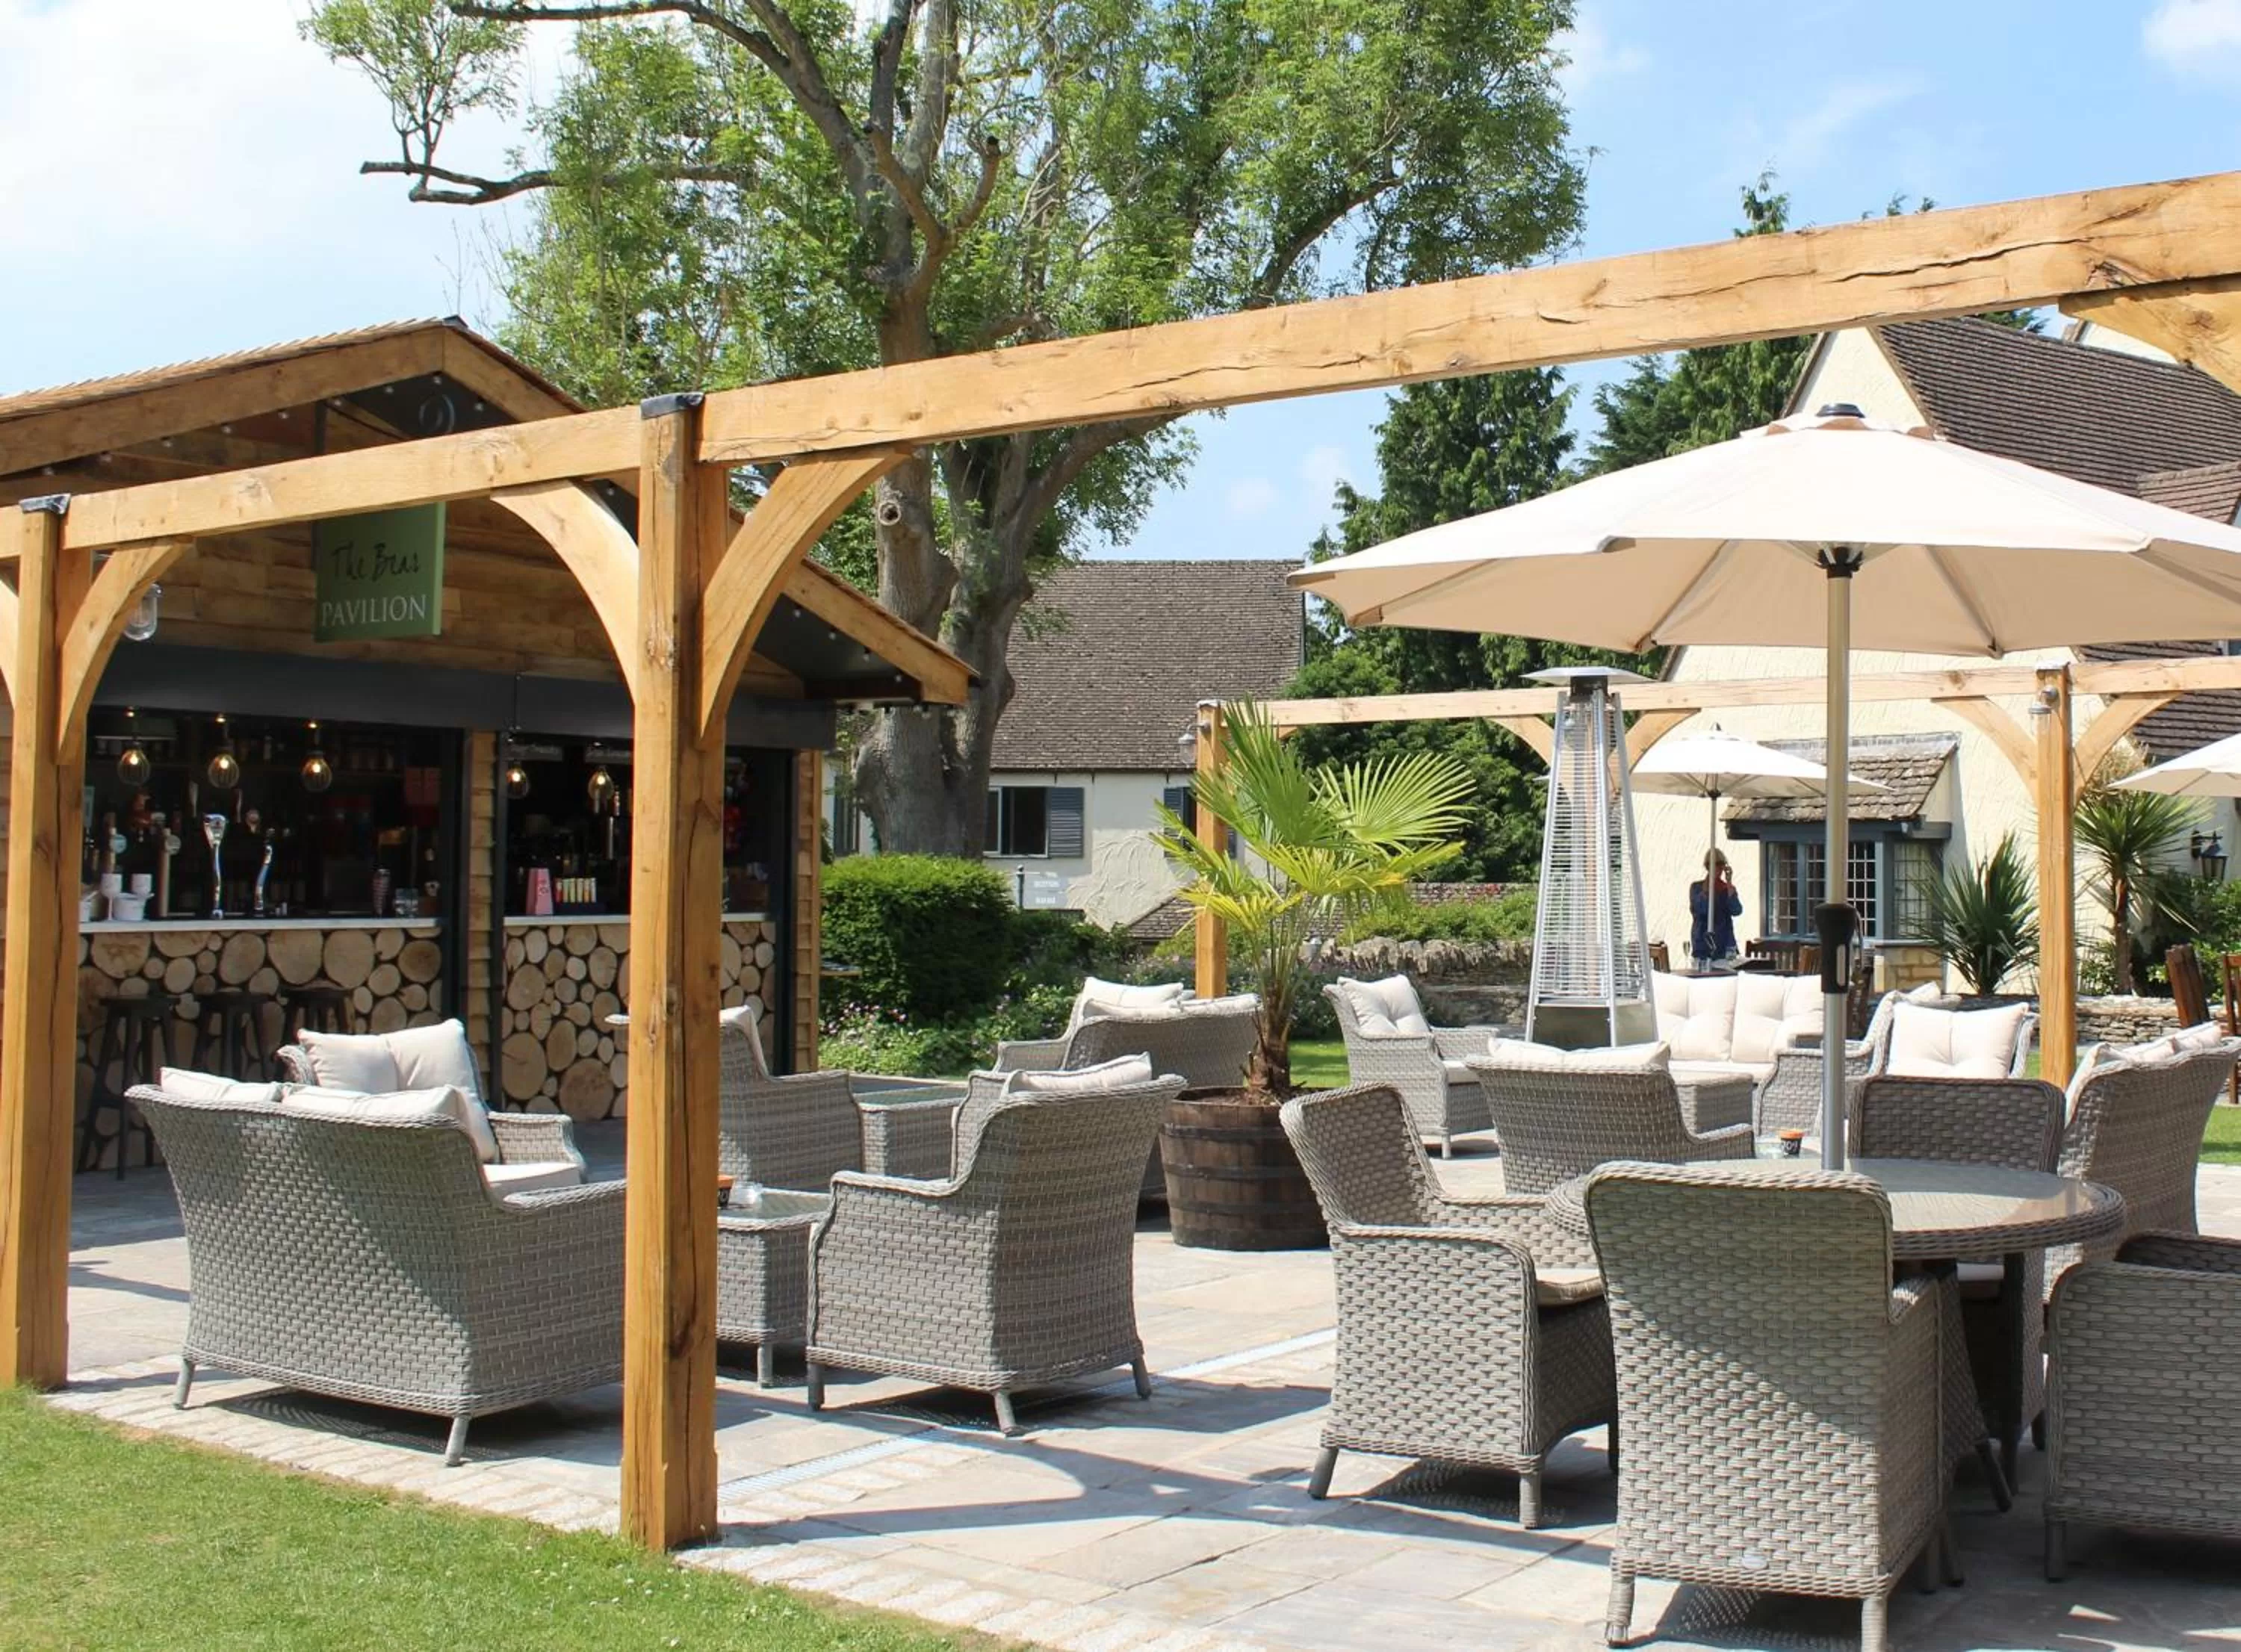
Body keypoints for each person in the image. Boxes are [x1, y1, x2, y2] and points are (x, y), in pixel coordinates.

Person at [1689, 848, 1742, 966]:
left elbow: (1737, 910)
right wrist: (1708, 887)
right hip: (1702, 946)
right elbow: (1700, 910)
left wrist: (1729, 885)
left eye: (1721, 864)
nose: (1718, 869)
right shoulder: (1697, 888)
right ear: (1707, 867)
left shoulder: (1726, 889)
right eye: (1715, 865)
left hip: (1724, 946)